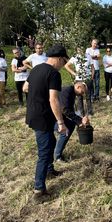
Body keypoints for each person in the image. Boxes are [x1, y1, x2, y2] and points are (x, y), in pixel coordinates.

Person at [23, 44, 69, 199]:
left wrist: (37, 94)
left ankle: (49, 170)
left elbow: (25, 87)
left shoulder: (36, 68)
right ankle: (38, 190)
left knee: (51, 141)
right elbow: (53, 99)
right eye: (64, 62)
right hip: (43, 117)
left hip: (33, 114)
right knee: (44, 152)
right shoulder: (54, 74)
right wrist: (61, 122)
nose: (64, 65)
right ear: (59, 58)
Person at [53, 82, 90, 162]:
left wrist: (79, 121)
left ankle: (58, 151)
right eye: (82, 92)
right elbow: (65, 110)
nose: (82, 94)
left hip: (58, 114)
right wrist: (79, 121)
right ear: (78, 87)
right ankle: (57, 156)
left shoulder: (72, 92)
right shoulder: (67, 91)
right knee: (65, 132)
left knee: (71, 125)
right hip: (51, 116)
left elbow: (70, 110)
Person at [64, 47, 94, 115]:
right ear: (77, 49)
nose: (80, 50)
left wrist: (92, 76)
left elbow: (92, 67)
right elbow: (66, 66)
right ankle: (81, 112)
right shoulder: (75, 57)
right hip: (79, 79)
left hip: (87, 78)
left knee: (88, 95)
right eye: (79, 49)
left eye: (82, 48)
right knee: (79, 97)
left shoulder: (88, 56)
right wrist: (74, 74)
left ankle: (90, 111)